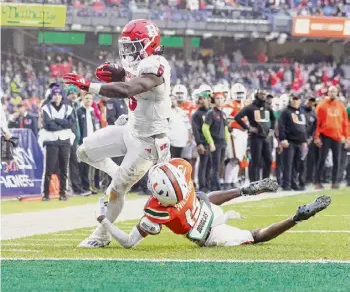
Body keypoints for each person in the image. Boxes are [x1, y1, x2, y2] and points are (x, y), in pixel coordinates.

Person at [63, 19, 171, 248]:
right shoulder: (141, 64)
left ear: (149, 44)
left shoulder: (157, 64)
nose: (128, 52)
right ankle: (115, 172)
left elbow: (130, 89)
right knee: (84, 151)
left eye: (133, 46)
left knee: (116, 191)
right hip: (130, 128)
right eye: (126, 46)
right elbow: (130, 78)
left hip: (147, 143)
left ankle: (101, 236)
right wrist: (120, 72)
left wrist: (90, 86)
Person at [95, 158, 331, 249]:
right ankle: (243, 189)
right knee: (203, 196)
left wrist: (103, 220)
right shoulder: (183, 174)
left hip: (209, 233)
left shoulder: (158, 210)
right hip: (210, 210)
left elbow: (127, 242)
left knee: (256, 236)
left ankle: (296, 218)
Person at [39, 85, 75, 201]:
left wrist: (56, 120)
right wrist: (62, 124)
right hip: (51, 140)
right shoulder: (46, 108)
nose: (57, 96)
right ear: (51, 95)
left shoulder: (68, 108)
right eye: (55, 94)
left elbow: (70, 123)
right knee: (49, 169)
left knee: (64, 168)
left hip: (64, 140)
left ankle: (63, 193)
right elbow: (48, 125)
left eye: (59, 94)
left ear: (62, 95)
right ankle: (46, 194)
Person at [234, 89, 276, 182]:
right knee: (255, 161)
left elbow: (273, 118)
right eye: (261, 94)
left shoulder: (267, 107)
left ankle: (265, 183)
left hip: (266, 137)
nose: (263, 96)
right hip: (255, 138)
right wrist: (248, 128)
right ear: (256, 95)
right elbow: (237, 117)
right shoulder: (250, 107)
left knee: (268, 160)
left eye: (264, 94)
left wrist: (271, 129)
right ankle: (254, 183)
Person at [314, 86, 349, 189]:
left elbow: (345, 123)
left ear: (337, 93)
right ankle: (317, 182)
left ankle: (334, 182)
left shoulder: (341, 106)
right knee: (322, 159)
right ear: (328, 93)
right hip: (325, 136)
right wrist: (316, 137)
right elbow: (316, 123)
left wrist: (347, 137)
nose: (332, 93)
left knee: (337, 160)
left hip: (338, 137)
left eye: (334, 91)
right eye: (330, 91)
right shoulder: (321, 106)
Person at [202, 90, 231, 190]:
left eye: (221, 98)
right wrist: (211, 143)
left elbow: (226, 128)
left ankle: (216, 185)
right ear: (214, 100)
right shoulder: (211, 113)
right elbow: (205, 128)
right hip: (215, 143)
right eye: (217, 98)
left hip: (222, 143)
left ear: (224, 100)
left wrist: (227, 141)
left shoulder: (223, 113)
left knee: (219, 165)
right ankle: (215, 187)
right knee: (215, 166)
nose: (219, 100)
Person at [278, 95, 307, 191]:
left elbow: (304, 127)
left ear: (300, 101)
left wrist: (305, 140)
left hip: (300, 141)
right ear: (290, 101)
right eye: (294, 100)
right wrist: (282, 139)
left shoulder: (301, 112)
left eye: (297, 100)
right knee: (288, 164)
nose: (295, 102)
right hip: (289, 141)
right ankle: (286, 184)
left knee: (296, 164)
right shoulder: (285, 112)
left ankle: (294, 183)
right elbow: (281, 125)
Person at [191, 91, 211, 192]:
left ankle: (208, 184)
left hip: (212, 143)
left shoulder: (212, 112)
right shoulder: (196, 114)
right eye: (200, 99)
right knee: (203, 164)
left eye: (203, 98)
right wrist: (199, 143)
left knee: (210, 165)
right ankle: (202, 186)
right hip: (203, 143)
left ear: (208, 99)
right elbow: (196, 130)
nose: (202, 101)